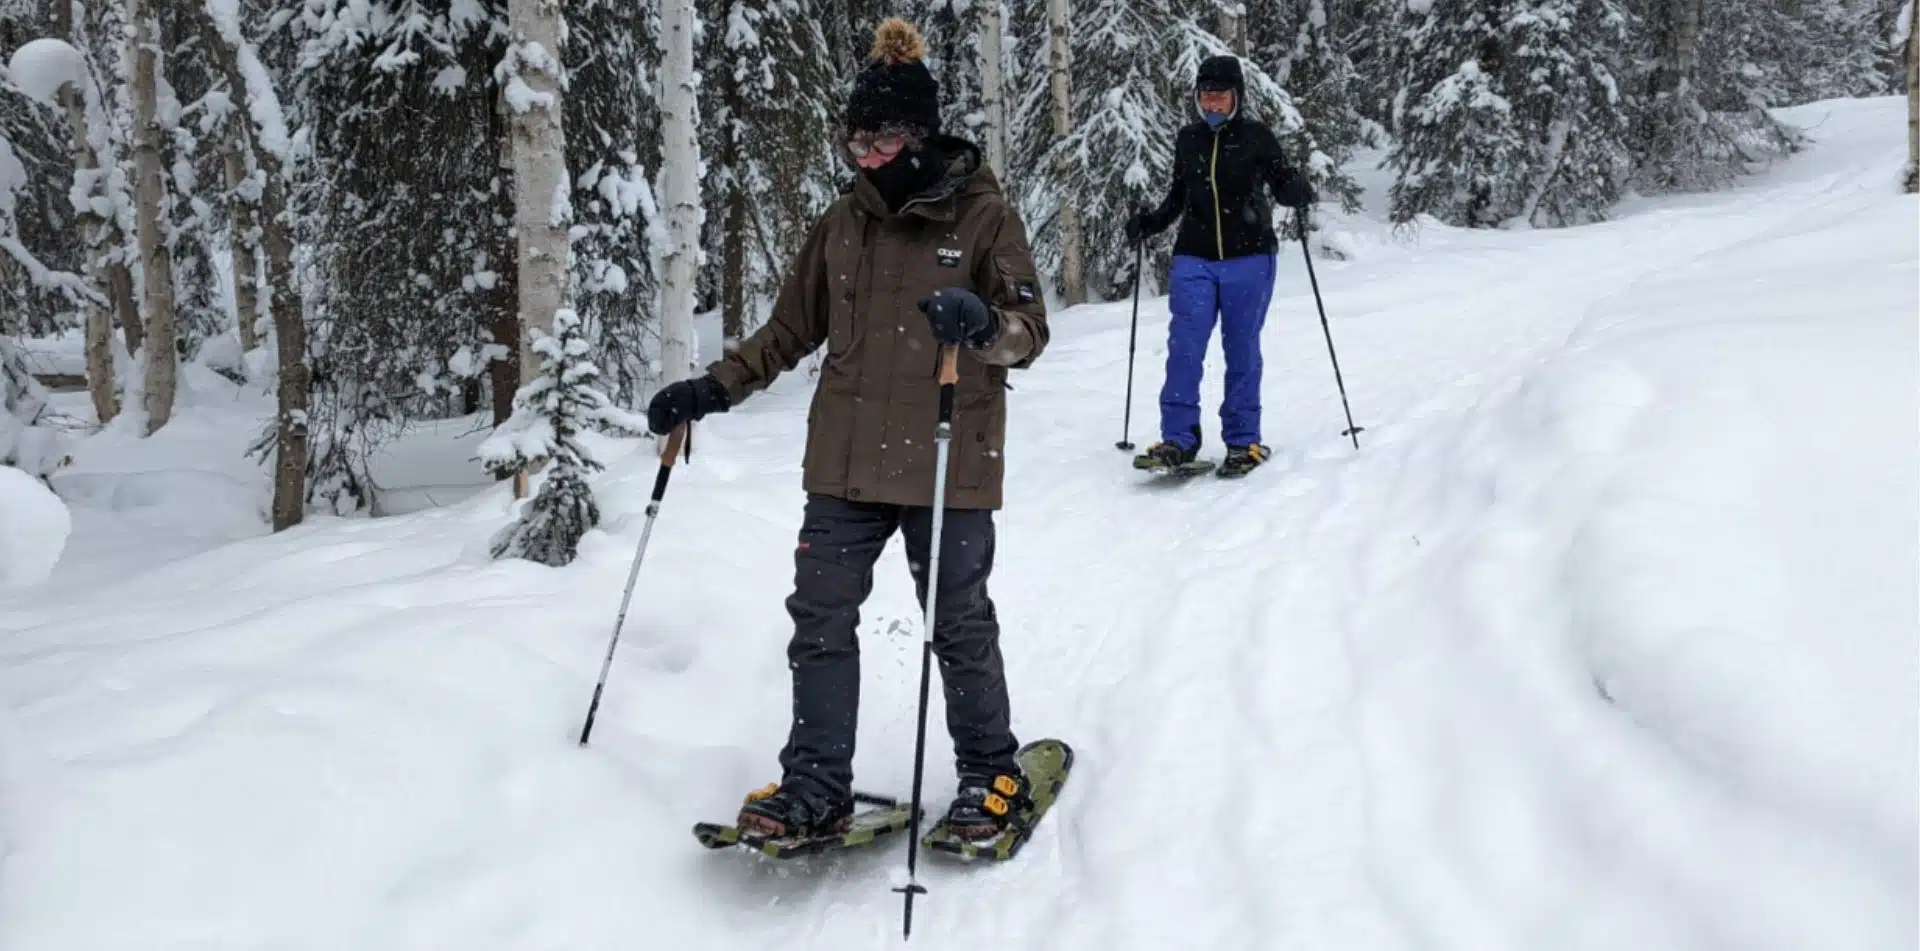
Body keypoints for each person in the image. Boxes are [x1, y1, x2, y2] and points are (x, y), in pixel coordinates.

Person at [644, 17, 1050, 843]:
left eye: (883, 141)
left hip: (949, 455)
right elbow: (788, 332)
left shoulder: (981, 217)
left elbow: (1028, 333)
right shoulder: (843, 223)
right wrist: (709, 390)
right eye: (855, 141)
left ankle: (990, 772)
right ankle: (816, 784)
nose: (866, 156)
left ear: (920, 136)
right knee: (819, 618)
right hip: (845, 463)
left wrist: (981, 325)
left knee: (956, 621)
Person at [1125, 54, 1315, 478]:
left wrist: (1296, 190)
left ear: (1236, 97)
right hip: (1194, 256)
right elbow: (1179, 196)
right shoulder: (1187, 139)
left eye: (1220, 97)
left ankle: (1243, 441)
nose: (1211, 105)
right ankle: (1179, 439)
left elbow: (1282, 181)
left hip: (1249, 257)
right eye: (1205, 97)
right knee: (1185, 348)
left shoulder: (1256, 137)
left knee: (1241, 347)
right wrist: (1150, 223)